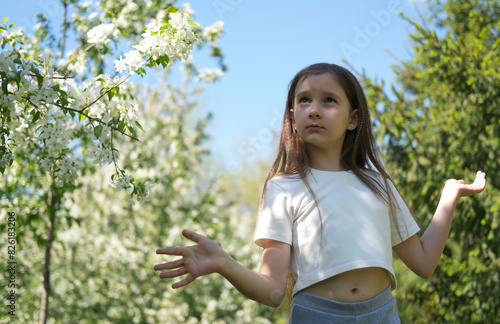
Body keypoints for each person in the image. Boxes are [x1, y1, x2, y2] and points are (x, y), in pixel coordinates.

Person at [154, 63, 486, 323]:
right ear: (293, 117)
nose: (314, 109)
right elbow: (272, 290)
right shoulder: (282, 187)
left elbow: (424, 263)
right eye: (304, 100)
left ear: (353, 118)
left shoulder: (378, 184)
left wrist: (449, 196)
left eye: (329, 100)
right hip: (315, 315)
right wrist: (224, 263)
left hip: (382, 314)